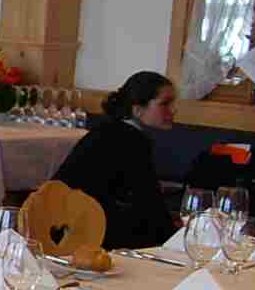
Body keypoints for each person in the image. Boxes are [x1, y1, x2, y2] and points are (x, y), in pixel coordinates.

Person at [53, 71, 177, 248]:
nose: (173, 110)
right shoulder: (132, 140)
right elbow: (149, 202)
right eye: (165, 104)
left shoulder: (107, 130)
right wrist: (177, 240)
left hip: (60, 227)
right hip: (84, 235)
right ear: (137, 110)